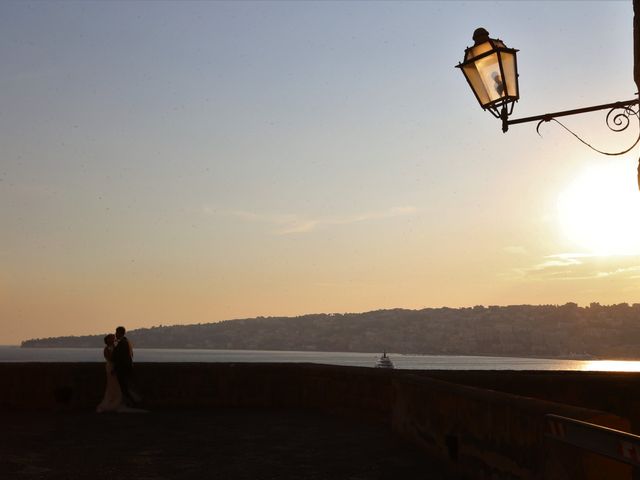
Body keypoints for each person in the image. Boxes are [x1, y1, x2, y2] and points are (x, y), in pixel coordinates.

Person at [96, 334, 124, 412]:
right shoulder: (107, 349)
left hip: (115, 367)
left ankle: (115, 402)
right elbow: (110, 358)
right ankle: (110, 403)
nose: (113, 339)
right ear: (107, 340)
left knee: (116, 385)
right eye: (111, 338)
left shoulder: (115, 347)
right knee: (112, 385)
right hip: (110, 367)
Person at [112, 326, 137, 407]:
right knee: (126, 387)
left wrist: (115, 368)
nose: (115, 334)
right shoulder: (126, 342)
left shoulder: (122, 343)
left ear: (120, 333)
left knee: (125, 388)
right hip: (127, 368)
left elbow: (120, 358)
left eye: (116, 332)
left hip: (123, 369)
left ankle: (131, 403)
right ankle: (131, 403)